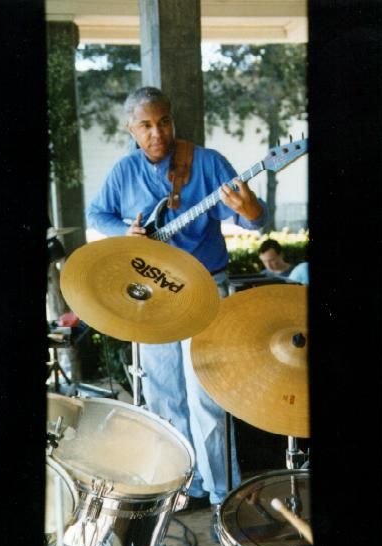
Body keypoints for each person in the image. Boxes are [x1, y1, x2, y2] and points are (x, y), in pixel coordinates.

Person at [86, 86, 268, 520]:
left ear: (172, 120)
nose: (157, 133)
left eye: (164, 121)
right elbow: (97, 214)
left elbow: (254, 220)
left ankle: (223, 495)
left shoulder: (207, 163)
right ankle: (187, 488)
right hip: (152, 295)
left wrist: (251, 208)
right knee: (164, 396)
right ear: (131, 129)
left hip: (204, 288)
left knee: (207, 396)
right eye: (146, 125)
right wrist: (124, 233)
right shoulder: (124, 171)